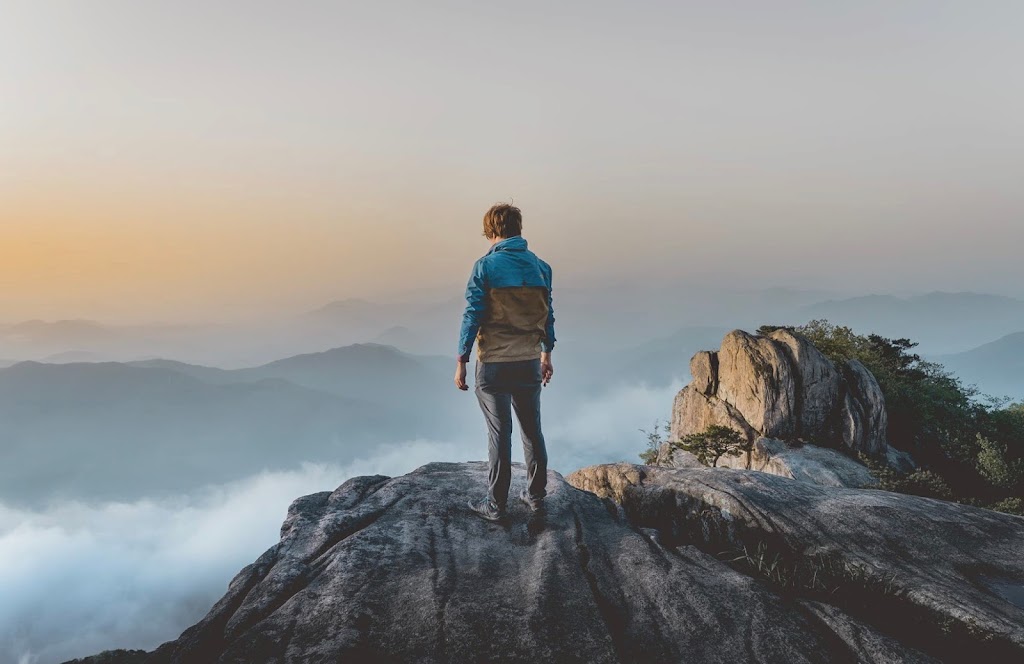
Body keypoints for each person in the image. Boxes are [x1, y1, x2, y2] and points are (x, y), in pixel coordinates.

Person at [455, 203, 555, 521]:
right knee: (532, 431)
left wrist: (461, 359)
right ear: (519, 227)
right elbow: (546, 315)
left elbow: (472, 315)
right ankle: (536, 496)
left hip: (494, 363)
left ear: (492, 230)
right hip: (528, 360)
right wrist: (546, 354)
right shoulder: (541, 267)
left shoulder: (485, 267)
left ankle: (496, 505)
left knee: (500, 434)